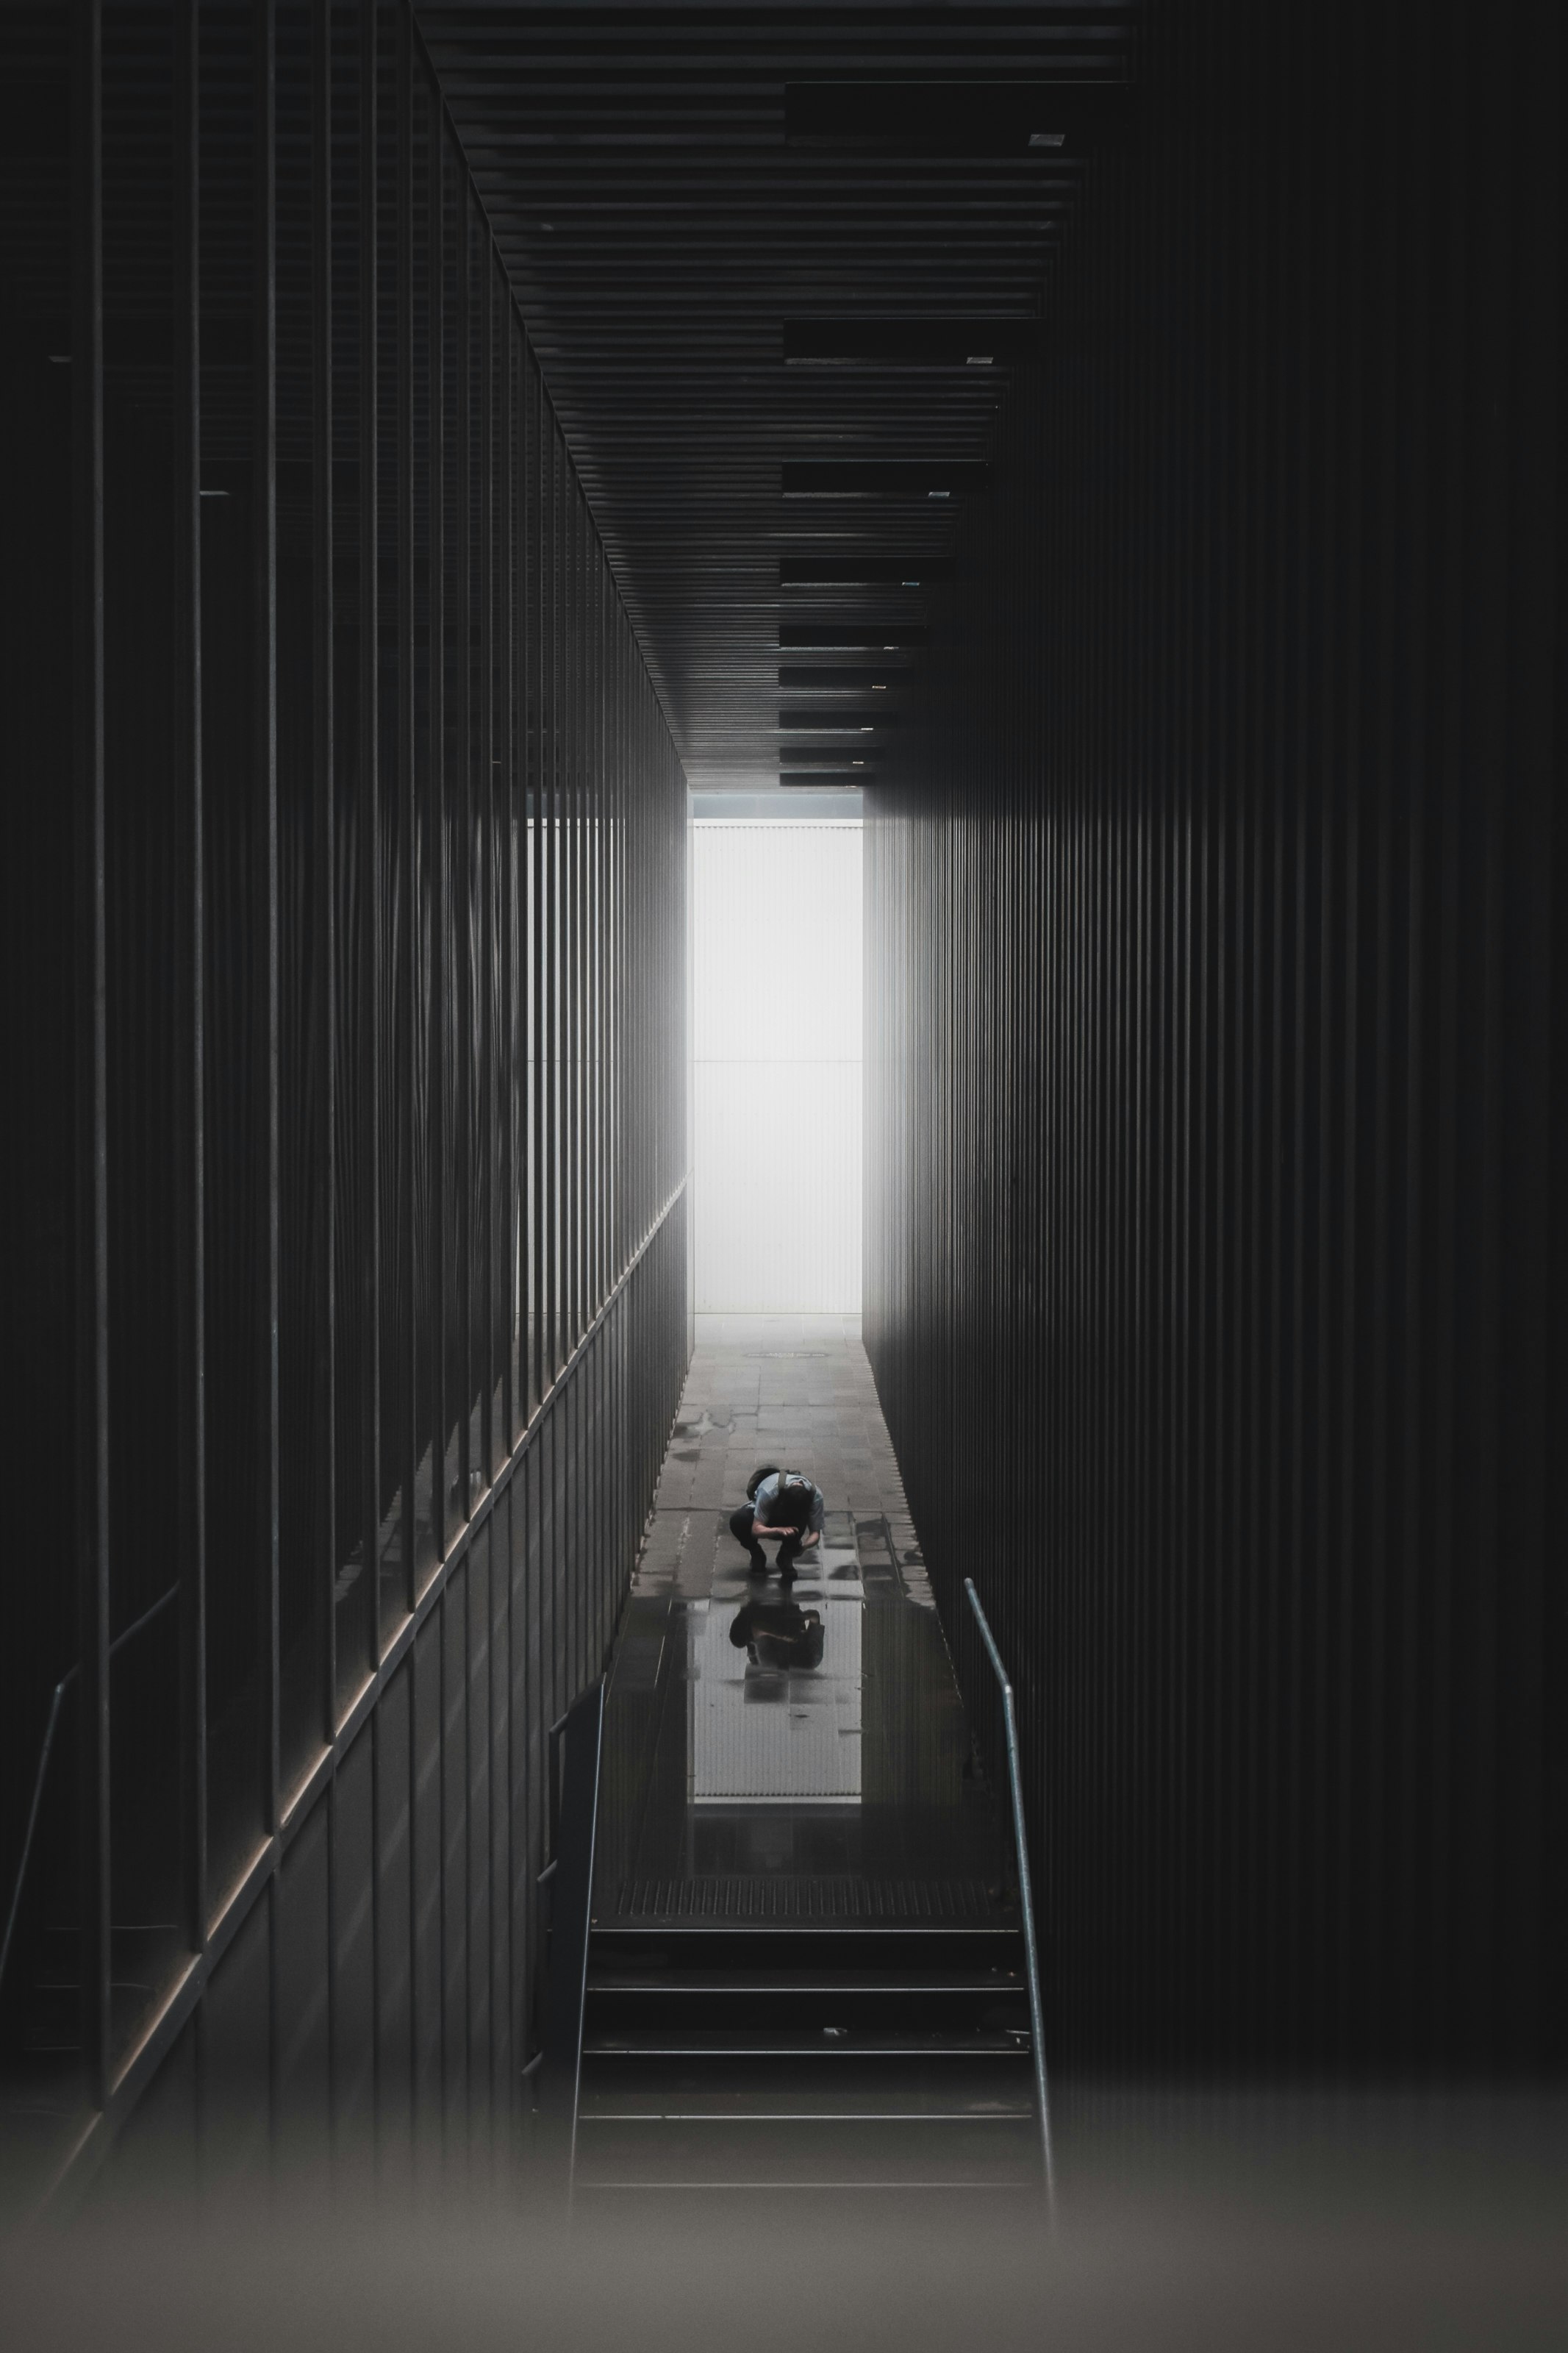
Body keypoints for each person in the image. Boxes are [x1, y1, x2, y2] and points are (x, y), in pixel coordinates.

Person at [728, 1463, 826, 1575]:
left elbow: (815, 1533)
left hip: (793, 1525)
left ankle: (786, 1556)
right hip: (767, 1517)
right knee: (738, 1520)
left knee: (797, 1525)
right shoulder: (770, 1491)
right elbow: (756, 1529)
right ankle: (756, 1552)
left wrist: (803, 1547)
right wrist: (778, 1530)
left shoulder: (816, 1496)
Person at [728, 1596, 826, 1671]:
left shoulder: (767, 1663)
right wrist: (802, 1617)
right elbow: (815, 1617)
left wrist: (781, 1635)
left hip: (762, 1616)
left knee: (738, 1640)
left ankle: (748, 1604)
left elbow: (756, 1627)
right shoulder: (813, 1659)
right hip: (787, 1611)